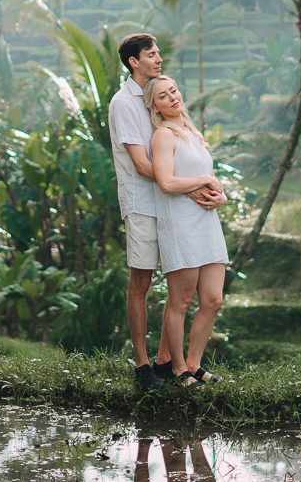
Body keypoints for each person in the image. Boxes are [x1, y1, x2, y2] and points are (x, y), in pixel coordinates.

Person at [108, 34, 224, 391]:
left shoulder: (161, 96)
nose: (159, 58)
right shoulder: (124, 104)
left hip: (175, 203)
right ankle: (143, 363)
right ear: (133, 62)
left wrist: (201, 189)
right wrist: (187, 183)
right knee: (141, 281)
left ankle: (168, 361)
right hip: (144, 202)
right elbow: (145, 166)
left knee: (180, 289)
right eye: (151, 54)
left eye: (158, 53)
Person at [144, 74, 228, 386]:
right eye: (163, 96)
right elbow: (166, 183)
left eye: (174, 91)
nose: (172, 98)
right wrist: (203, 182)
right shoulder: (164, 136)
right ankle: (177, 368)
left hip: (207, 223)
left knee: (212, 299)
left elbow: (208, 176)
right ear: (155, 106)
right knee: (180, 300)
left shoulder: (191, 132)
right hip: (180, 223)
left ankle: (194, 364)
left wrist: (220, 194)